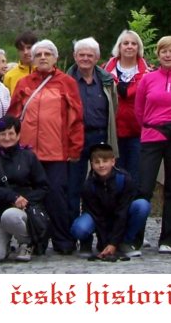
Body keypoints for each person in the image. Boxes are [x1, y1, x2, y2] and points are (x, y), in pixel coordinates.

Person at [8, 39, 83, 255]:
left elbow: (76, 118)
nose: (42, 57)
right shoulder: (24, 84)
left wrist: (75, 148)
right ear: (32, 59)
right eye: (38, 54)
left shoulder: (67, 82)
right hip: (28, 153)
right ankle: (36, 240)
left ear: (55, 58)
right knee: (31, 198)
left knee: (57, 196)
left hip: (57, 152)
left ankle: (62, 240)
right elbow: (13, 115)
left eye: (47, 53)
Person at [134, 35, 171, 253]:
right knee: (144, 187)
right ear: (158, 54)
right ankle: (135, 236)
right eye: (164, 51)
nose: (168, 55)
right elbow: (139, 109)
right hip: (152, 136)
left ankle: (169, 238)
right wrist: (151, 126)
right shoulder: (148, 80)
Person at [68, 37, 118, 247]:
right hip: (75, 138)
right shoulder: (66, 80)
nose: (86, 59)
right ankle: (75, 236)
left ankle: (103, 236)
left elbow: (113, 108)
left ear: (97, 58)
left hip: (100, 137)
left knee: (101, 187)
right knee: (74, 186)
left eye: (90, 55)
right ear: (75, 57)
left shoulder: (106, 80)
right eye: (82, 55)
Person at [0, 116, 48, 262]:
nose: (7, 138)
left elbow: (43, 186)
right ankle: (6, 245)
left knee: (10, 216)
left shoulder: (28, 156)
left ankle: (27, 242)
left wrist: (25, 200)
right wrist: (11, 197)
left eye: (11, 133)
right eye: (2, 134)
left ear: (18, 135)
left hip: (22, 212)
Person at [72, 143, 150, 262]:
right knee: (79, 228)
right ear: (92, 164)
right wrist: (105, 243)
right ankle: (88, 243)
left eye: (105, 161)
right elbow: (96, 216)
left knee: (142, 206)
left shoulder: (124, 179)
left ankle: (126, 242)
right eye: (97, 162)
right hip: (99, 219)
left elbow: (122, 212)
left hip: (121, 216)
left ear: (113, 161)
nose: (101, 165)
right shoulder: (88, 186)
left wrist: (114, 243)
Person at [103, 30, 150, 185]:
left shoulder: (149, 73)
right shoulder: (104, 72)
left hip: (138, 131)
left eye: (133, 43)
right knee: (114, 174)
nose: (129, 46)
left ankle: (134, 207)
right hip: (112, 132)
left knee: (135, 174)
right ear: (119, 47)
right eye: (126, 43)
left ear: (139, 48)